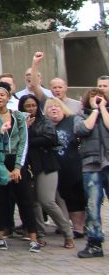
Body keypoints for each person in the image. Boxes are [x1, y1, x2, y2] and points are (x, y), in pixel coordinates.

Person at [0, 82, 40, 252]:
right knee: (0, 199)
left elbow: (23, 142)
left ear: (8, 97)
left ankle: (33, 236)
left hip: (16, 161)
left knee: (25, 199)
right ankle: (0, 236)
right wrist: (0, 164)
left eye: (2, 95)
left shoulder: (18, 117)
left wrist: (17, 168)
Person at [19, 93, 73, 245]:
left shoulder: (45, 121)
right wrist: (25, 128)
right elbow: (16, 141)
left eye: (33, 105)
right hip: (29, 166)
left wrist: (28, 138)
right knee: (33, 202)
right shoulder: (20, 122)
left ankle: (67, 232)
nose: (31, 109)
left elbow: (50, 139)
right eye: (27, 106)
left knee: (47, 201)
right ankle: (40, 234)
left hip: (46, 166)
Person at [74, 86, 109, 258]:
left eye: (100, 96)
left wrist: (103, 108)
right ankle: (94, 243)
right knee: (93, 205)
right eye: (94, 96)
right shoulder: (81, 116)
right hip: (91, 165)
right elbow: (83, 129)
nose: (97, 98)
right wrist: (95, 111)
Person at [45, 96, 86, 237]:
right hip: (57, 169)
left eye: (57, 106)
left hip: (74, 166)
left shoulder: (72, 120)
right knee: (67, 198)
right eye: (50, 107)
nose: (54, 109)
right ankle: (74, 227)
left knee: (79, 198)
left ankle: (80, 228)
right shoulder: (45, 126)